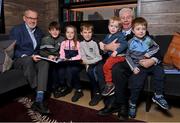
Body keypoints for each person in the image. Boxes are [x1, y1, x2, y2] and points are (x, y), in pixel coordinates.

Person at [97, 7, 159, 120]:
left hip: (131, 62)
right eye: (123, 18)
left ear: (133, 18)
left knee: (117, 69)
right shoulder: (115, 30)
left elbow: (155, 49)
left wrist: (153, 60)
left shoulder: (140, 31)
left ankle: (122, 106)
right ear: (119, 20)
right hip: (115, 58)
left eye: (128, 17)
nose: (125, 20)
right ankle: (111, 103)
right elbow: (103, 48)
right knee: (101, 67)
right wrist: (106, 47)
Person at [9, 9, 50, 114]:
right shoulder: (16, 30)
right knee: (27, 60)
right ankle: (37, 93)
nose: (33, 20)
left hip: (34, 58)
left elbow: (41, 48)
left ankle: (38, 100)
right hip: (20, 59)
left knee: (45, 62)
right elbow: (13, 50)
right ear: (24, 18)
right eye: (30, 18)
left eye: (35, 18)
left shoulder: (39, 31)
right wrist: (28, 56)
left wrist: (48, 55)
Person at [126, 17, 169, 118]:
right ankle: (132, 103)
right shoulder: (130, 42)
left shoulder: (147, 40)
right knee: (137, 84)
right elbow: (127, 56)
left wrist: (149, 54)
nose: (141, 31)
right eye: (138, 29)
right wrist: (133, 68)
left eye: (143, 29)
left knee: (160, 71)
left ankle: (158, 95)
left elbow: (156, 47)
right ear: (133, 30)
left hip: (149, 64)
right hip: (139, 66)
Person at [99, 16, 127, 96]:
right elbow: (104, 43)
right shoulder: (108, 35)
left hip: (120, 56)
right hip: (112, 56)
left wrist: (116, 51)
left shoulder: (120, 35)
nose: (113, 28)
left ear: (119, 29)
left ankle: (109, 84)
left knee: (106, 66)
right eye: (111, 26)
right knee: (105, 65)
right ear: (108, 26)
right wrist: (101, 43)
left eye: (116, 27)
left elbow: (124, 44)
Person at [39, 21, 65, 98]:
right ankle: (52, 88)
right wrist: (48, 56)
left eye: (57, 30)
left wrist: (59, 56)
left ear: (59, 31)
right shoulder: (45, 39)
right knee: (51, 68)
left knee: (59, 68)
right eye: (52, 30)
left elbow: (64, 51)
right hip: (49, 59)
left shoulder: (63, 39)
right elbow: (41, 51)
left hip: (59, 59)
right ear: (49, 31)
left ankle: (58, 87)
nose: (55, 32)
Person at [80, 23, 102, 106]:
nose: (87, 34)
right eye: (85, 32)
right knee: (89, 71)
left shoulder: (95, 43)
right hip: (90, 63)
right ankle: (96, 92)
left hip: (97, 62)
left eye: (89, 32)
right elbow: (83, 58)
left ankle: (98, 92)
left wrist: (88, 63)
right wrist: (87, 63)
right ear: (81, 33)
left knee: (94, 70)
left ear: (92, 33)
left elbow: (99, 57)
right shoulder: (81, 44)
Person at [59, 25, 83, 102]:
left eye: (72, 33)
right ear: (65, 33)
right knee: (61, 69)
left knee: (71, 69)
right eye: (68, 32)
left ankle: (79, 90)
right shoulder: (63, 43)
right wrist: (62, 58)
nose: (69, 34)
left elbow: (80, 55)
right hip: (66, 62)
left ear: (74, 34)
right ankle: (65, 86)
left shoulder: (77, 43)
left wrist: (72, 59)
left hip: (76, 62)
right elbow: (61, 53)